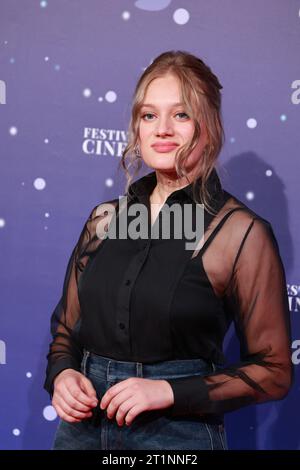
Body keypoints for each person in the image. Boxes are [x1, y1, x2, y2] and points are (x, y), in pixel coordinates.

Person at [44, 50, 293, 450]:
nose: (162, 129)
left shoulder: (240, 233)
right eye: (148, 115)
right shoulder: (104, 220)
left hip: (176, 436)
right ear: (136, 129)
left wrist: (170, 391)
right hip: (82, 430)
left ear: (208, 127)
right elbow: (66, 333)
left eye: (181, 115)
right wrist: (63, 375)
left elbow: (275, 371)